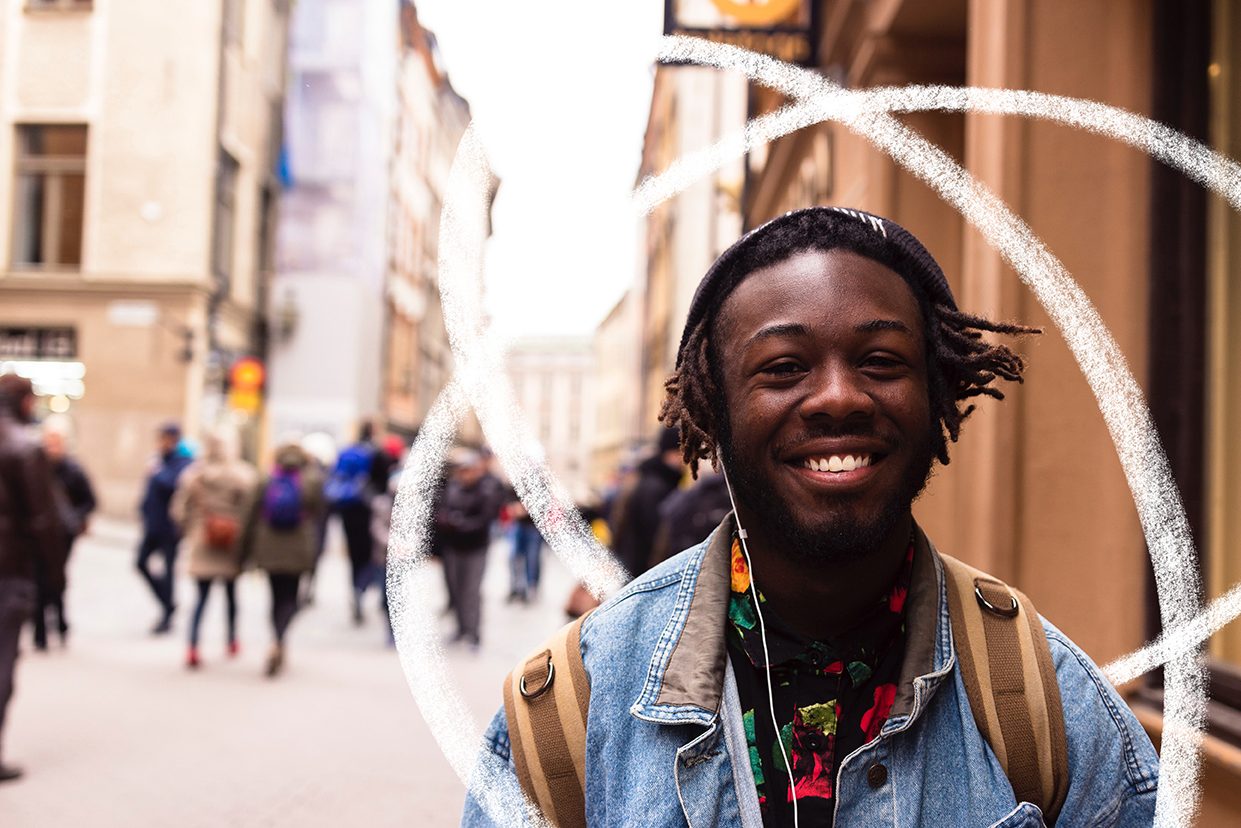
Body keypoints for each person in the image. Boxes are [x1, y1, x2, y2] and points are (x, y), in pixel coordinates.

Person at [463, 208, 1158, 825]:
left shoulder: (1046, 709)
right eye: (783, 366)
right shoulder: (569, 716)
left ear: (935, 392)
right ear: (714, 408)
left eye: (880, 360)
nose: (837, 397)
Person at [0, 375, 64, 782]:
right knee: (2, 660)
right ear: (24, 402)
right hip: (9, 572)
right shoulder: (23, 447)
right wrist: (54, 577)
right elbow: (44, 521)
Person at [170, 428, 256, 669]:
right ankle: (231, 640)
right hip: (231, 542)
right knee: (231, 596)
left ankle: (193, 646)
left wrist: (192, 530)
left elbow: (179, 511)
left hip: (202, 540)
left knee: (200, 598)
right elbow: (249, 509)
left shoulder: (194, 475)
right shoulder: (241, 475)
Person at [242, 442, 324, 677]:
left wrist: (243, 553)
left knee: (275, 597)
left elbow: (249, 515)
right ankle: (280, 639)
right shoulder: (312, 480)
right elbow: (320, 515)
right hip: (299, 549)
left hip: (268, 548)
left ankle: (276, 641)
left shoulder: (267, 479)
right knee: (291, 598)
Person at [32, 426, 96, 650]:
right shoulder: (34, 467)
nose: (52, 447)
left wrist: (75, 519)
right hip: (39, 534)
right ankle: (39, 633)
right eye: (48, 442)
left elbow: (89, 500)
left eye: (56, 442)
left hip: (63, 535)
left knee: (56, 580)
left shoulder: (73, 470)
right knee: (40, 581)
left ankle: (60, 625)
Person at [434, 449, 502, 651]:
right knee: (454, 588)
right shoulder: (452, 488)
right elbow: (440, 511)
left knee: (471, 590)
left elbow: (486, 518)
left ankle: (473, 633)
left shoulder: (486, 489)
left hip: (475, 547)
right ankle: (460, 628)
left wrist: (462, 523)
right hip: (453, 546)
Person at [137, 422, 192, 634]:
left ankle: (168, 612)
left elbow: (172, 485)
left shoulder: (183, 462)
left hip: (170, 527)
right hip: (153, 524)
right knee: (140, 563)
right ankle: (168, 602)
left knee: (169, 570)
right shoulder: (160, 460)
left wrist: (157, 472)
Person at [607, 425, 684, 577]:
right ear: (669, 453)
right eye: (680, 452)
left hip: (632, 563)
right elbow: (655, 536)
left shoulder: (646, 477)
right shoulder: (658, 487)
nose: (684, 459)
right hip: (643, 568)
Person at [325, 423, 377, 624]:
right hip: (366, 511)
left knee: (354, 556)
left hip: (347, 511)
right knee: (367, 555)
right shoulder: (373, 454)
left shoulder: (346, 452)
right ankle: (361, 589)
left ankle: (355, 589)